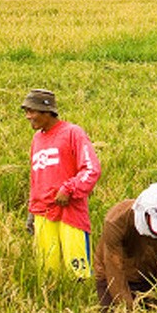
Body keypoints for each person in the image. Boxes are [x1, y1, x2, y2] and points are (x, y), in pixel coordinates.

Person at [22, 88, 101, 278]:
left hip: (70, 213)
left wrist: (69, 188)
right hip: (42, 214)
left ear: (47, 111)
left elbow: (92, 169)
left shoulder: (73, 133)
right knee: (47, 274)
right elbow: (36, 178)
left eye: (32, 111)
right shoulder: (37, 139)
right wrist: (32, 211)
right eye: (26, 111)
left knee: (78, 275)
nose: (28, 116)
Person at [94, 183, 157, 313]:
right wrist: (130, 311)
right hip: (111, 273)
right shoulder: (116, 221)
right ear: (143, 212)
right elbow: (114, 268)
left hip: (148, 271)